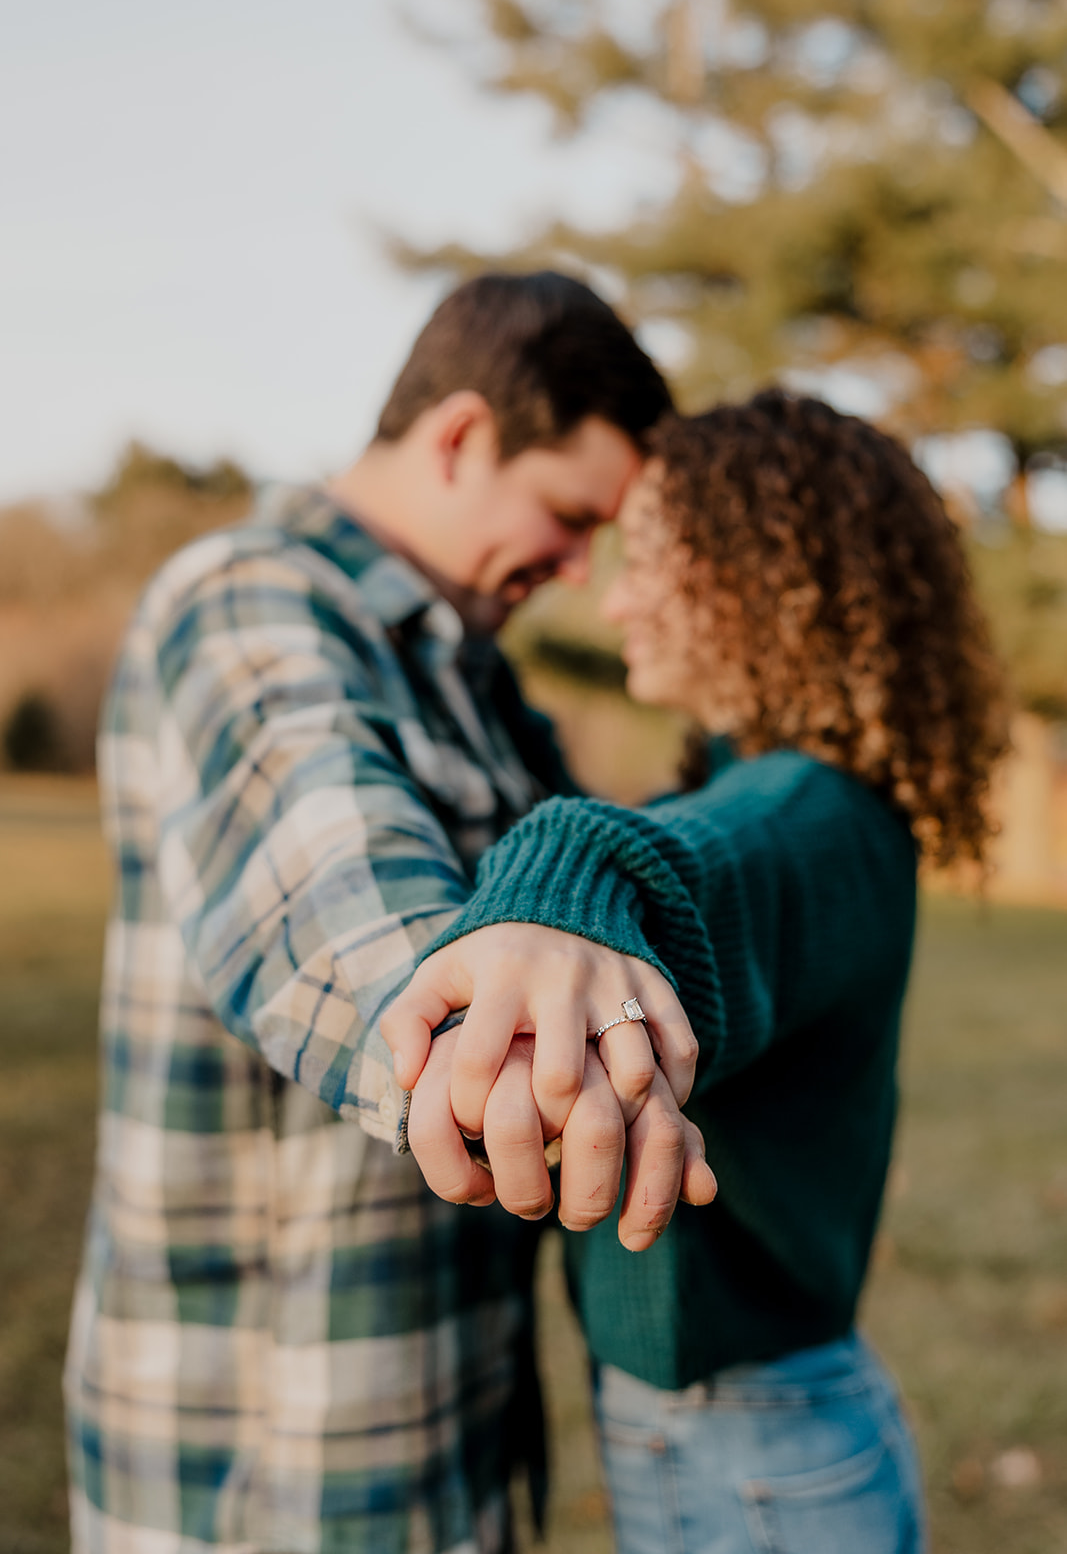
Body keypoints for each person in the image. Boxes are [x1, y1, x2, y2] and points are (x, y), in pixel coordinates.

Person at [63, 271, 715, 1554]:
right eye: (570, 516)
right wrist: (524, 1067)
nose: (579, 568)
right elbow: (334, 879)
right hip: (269, 1452)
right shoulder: (251, 596)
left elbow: (583, 880)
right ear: (463, 437)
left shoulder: (471, 672)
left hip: (448, 1420)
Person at [385, 391, 1009, 1554]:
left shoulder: (809, 811)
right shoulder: (780, 787)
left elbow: (694, 870)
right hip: (761, 1433)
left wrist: (566, 861)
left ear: (760, 578)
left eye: (652, 563)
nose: (613, 597)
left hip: (750, 1456)